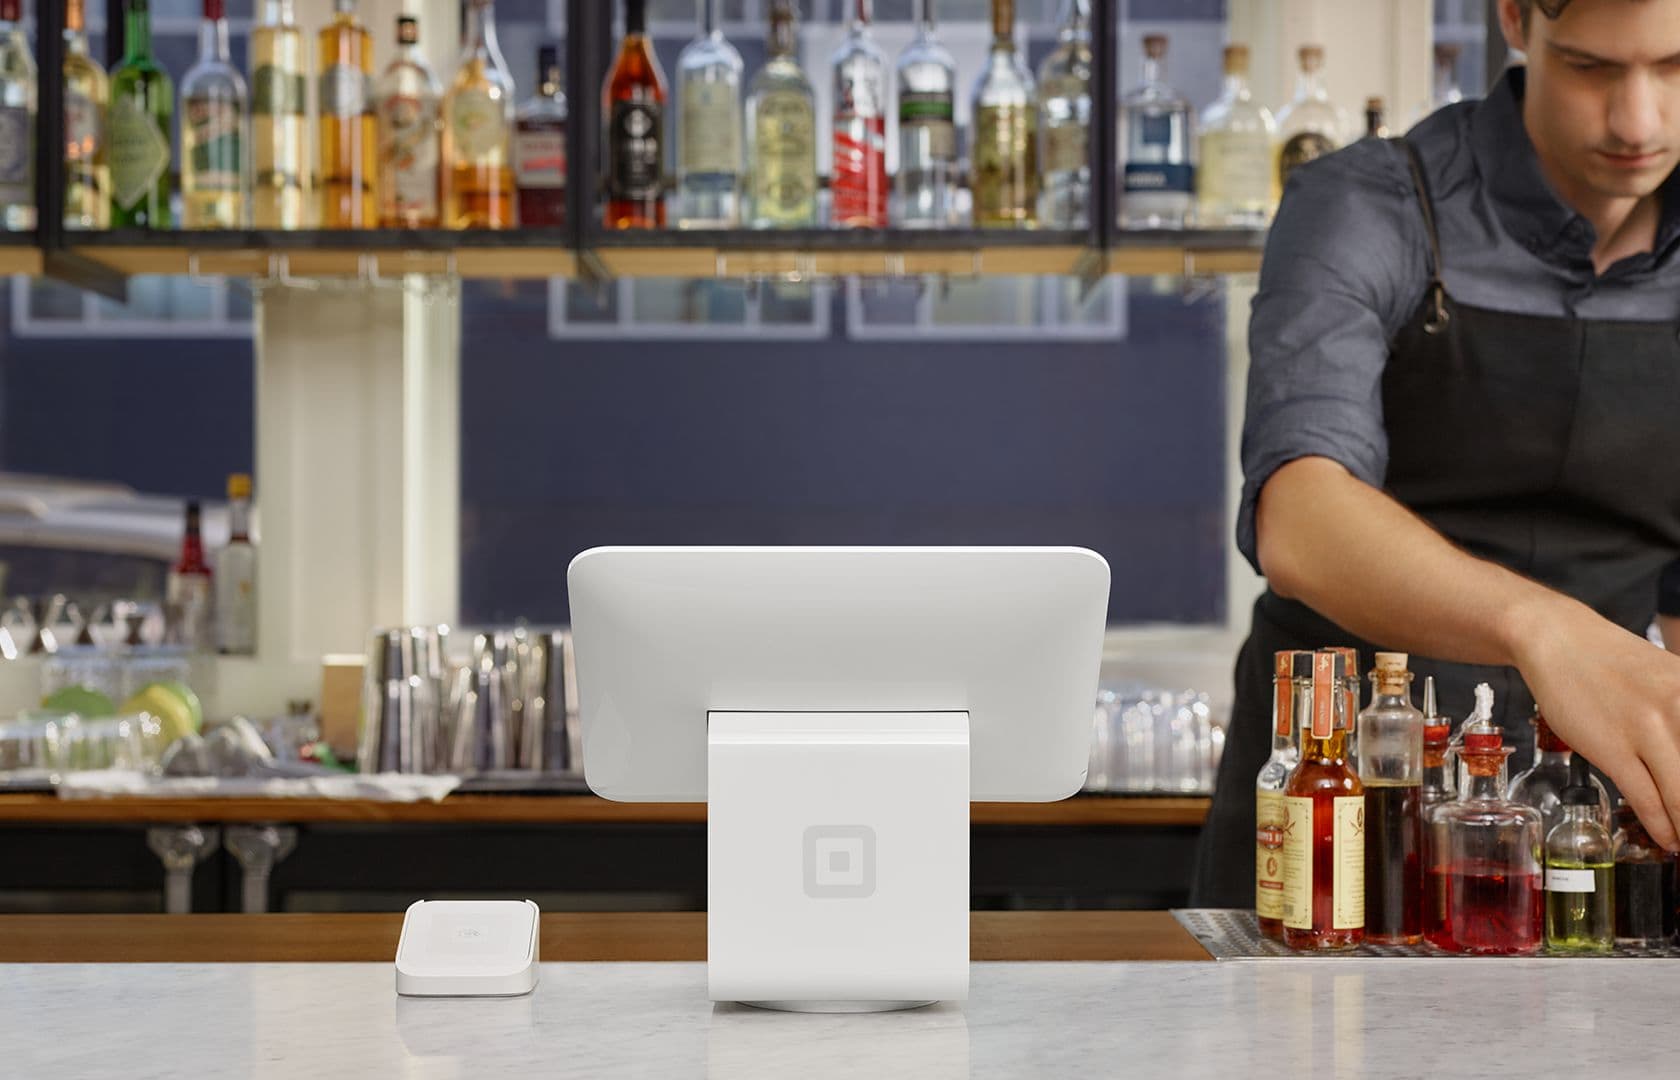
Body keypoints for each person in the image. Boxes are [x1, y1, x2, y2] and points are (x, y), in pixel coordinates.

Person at [1192, 0, 1680, 907]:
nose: (1638, 122)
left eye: (1677, 67)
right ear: (1516, 22)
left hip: (1599, 824)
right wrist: (1549, 634)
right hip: (1338, 807)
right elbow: (1300, 512)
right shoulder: (1368, 202)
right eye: (1592, 68)